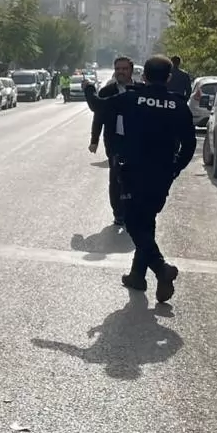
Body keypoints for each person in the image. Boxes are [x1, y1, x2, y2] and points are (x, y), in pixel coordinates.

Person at [82, 56, 196, 302]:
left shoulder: (132, 98)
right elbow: (189, 145)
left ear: (144, 76)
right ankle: (137, 275)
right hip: (162, 175)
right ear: (168, 77)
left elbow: (97, 106)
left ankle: (161, 268)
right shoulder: (178, 105)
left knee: (134, 223)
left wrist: (88, 87)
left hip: (134, 172)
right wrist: (175, 168)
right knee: (148, 222)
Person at [87, 56, 135, 225]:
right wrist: (94, 140)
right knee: (116, 177)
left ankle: (133, 210)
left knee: (136, 178)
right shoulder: (107, 92)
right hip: (115, 141)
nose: (120, 72)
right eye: (118, 69)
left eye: (124, 69)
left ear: (131, 70)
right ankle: (118, 213)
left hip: (136, 142)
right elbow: (98, 116)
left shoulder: (140, 91)